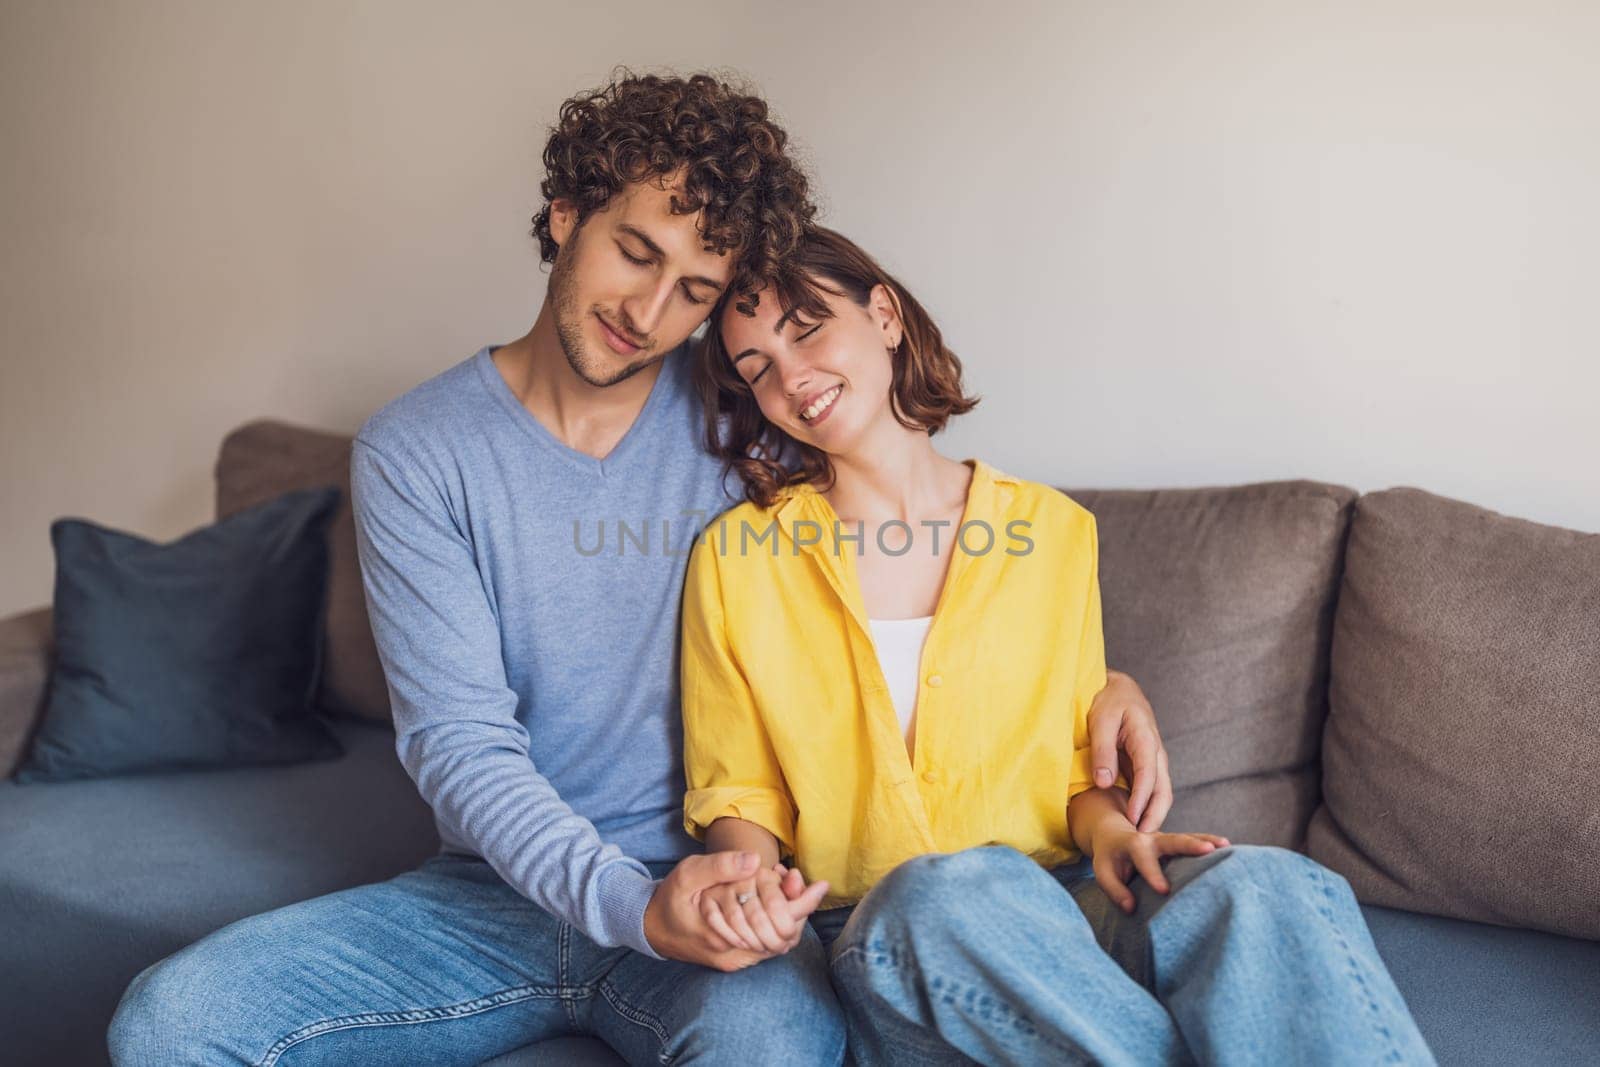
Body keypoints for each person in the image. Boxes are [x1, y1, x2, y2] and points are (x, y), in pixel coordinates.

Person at [106, 73, 1175, 1065]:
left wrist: (1103, 684)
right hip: (496, 895)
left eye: (696, 289)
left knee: (769, 1044)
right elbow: (458, 741)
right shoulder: (416, 449)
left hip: (730, 895)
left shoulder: (749, 415)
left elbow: (936, 548)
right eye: (636, 250)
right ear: (568, 211)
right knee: (172, 1019)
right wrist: (626, 902)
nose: (650, 311)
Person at [681, 225, 1436, 1066]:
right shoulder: (738, 558)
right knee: (944, 892)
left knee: (1268, 883)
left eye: (806, 328)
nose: (789, 378)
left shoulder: (1050, 531)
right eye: (757, 369)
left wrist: (1116, 837)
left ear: (885, 315)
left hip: (1065, 905)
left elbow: (1077, 771)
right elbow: (737, 790)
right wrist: (747, 890)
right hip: (893, 933)